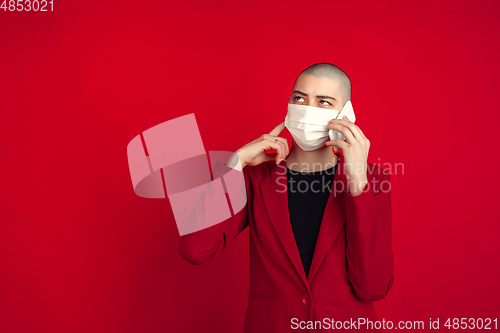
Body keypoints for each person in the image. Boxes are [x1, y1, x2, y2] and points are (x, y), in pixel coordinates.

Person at [179, 62, 394, 332]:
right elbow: (195, 250)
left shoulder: (373, 181)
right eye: (300, 98)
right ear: (289, 104)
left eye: (323, 102)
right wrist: (235, 164)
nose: (307, 109)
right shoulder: (254, 177)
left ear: (346, 113)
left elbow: (373, 285)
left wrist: (357, 182)